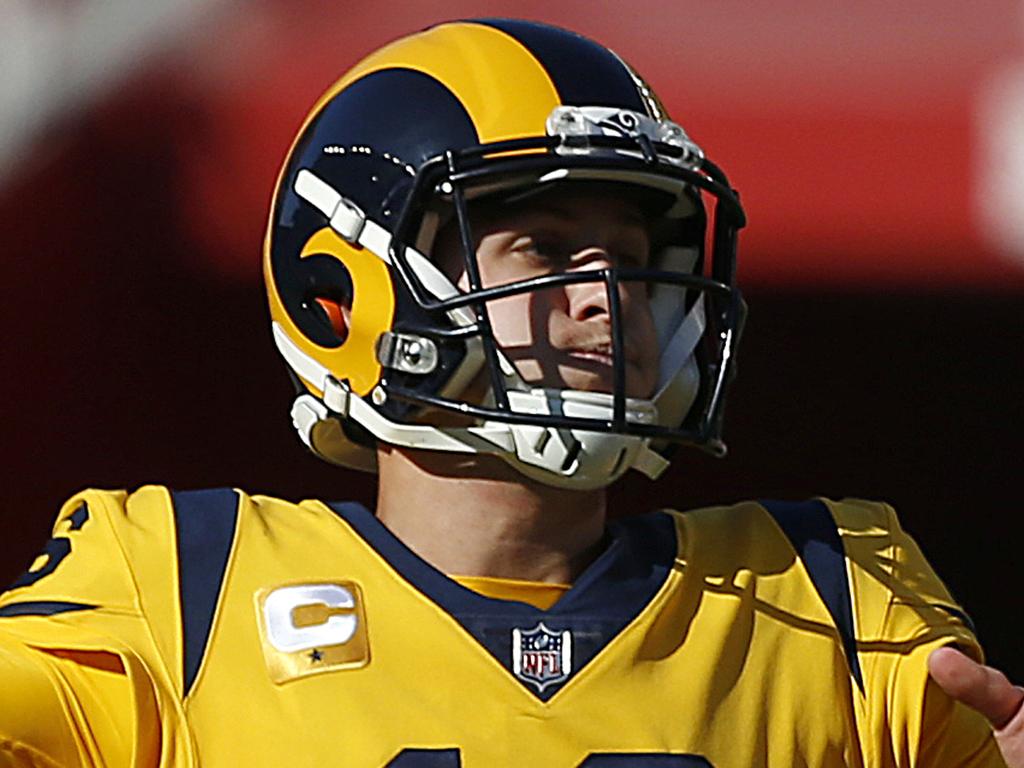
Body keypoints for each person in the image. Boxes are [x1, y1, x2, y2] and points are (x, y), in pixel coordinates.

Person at [0, 18, 1020, 768]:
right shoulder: (177, 590)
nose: (603, 298)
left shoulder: (830, 593)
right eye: (543, 246)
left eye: (627, 257)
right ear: (345, 288)